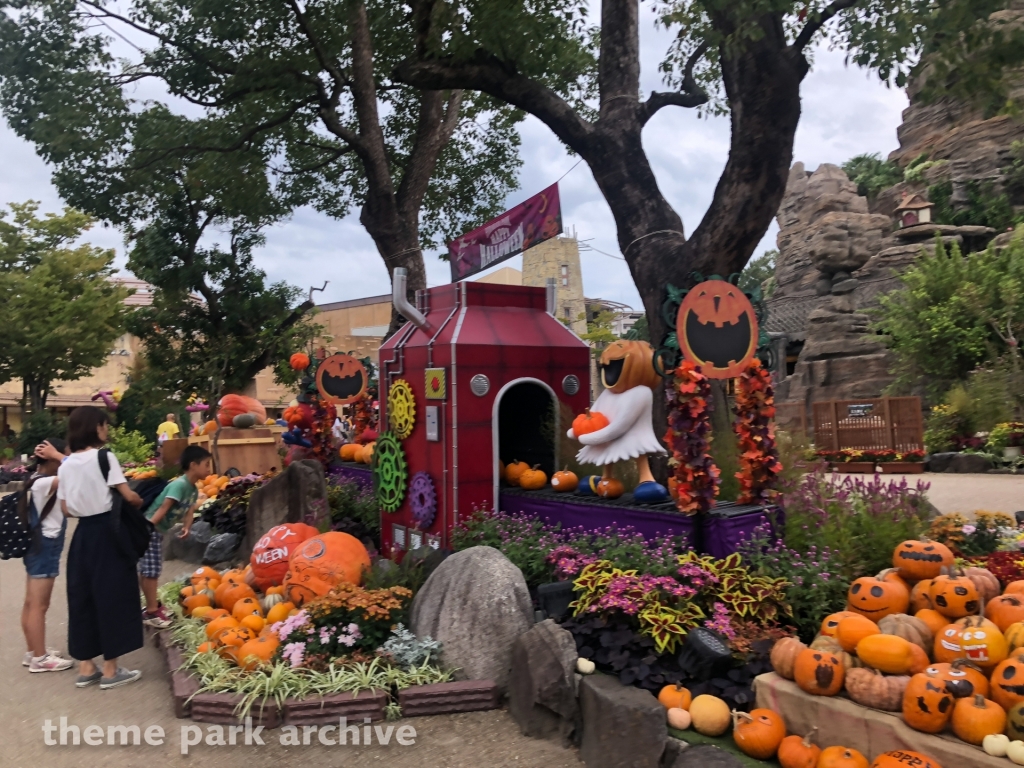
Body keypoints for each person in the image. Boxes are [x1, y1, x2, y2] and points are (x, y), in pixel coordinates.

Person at [59, 406, 145, 690]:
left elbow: (65, 509)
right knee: (114, 595)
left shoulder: (66, 464)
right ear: (96, 427)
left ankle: (86, 667)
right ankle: (110, 670)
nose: (106, 430)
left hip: (82, 535)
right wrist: (137, 501)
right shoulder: (104, 457)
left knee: (82, 596)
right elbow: (127, 494)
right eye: (105, 425)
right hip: (109, 533)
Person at [139, 445, 211, 629]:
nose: (209, 469)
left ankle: (151, 606)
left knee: (149, 570)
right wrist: (147, 527)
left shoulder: (193, 490)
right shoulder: (179, 485)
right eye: (206, 464)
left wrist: (187, 527)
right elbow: (163, 506)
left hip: (157, 530)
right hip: (151, 528)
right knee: (151, 571)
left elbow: (189, 510)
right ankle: (152, 611)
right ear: (193, 465)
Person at [20, 437, 74, 672]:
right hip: (46, 544)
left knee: (32, 602)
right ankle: (41, 660)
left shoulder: (36, 479)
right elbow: (79, 472)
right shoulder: (47, 482)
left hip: (37, 543)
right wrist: (60, 455)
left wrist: (58, 455)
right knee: (39, 605)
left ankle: (34, 652)